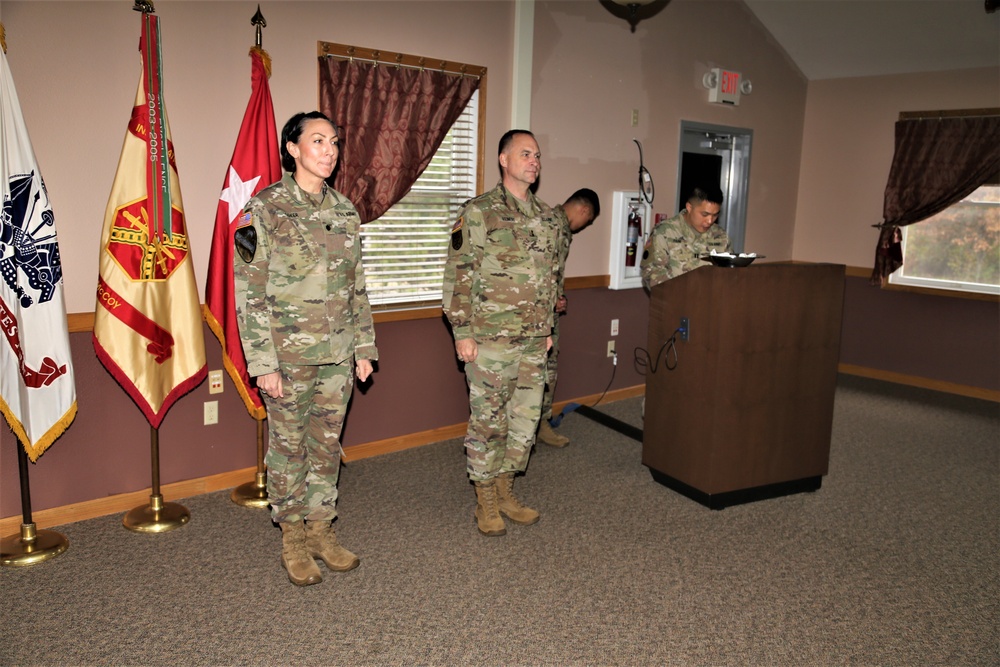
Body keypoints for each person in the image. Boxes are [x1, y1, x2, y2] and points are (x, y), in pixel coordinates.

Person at [233, 111, 378, 586]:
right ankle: (292, 540)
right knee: (288, 449)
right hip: (288, 359)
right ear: (292, 148)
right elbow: (249, 294)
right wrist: (262, 364)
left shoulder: (345, 210)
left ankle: (321, 530)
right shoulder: (266, 209)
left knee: (327, 446)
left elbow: (357, 286)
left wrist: (364, 347)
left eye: (334, 142)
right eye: (318, 141)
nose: (330, 150)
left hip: (338, 355)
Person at [442, 129, 560, 537]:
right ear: (503, 160)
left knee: (524, 421)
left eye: (538, 155)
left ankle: (506, 490)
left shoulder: (547, 218)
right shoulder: (480, 212)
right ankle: (485, 501)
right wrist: (462, 330)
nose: (534, 161)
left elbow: (549, 278)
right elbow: (459, 274)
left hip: (532, 339)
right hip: (490, 337)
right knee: (489, 421)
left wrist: (546, 329)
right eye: (525, 154)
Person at [536, 188, 601, 448]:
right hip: (539, 317)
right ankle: (534, 427)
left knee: (546, 371)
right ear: (584, 211)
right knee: (543, 371)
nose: (585, 225)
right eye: (589, 220)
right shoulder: (553, 227)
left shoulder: (554, 224)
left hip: (546, 311)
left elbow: (552, 273)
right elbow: (539, 269)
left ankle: (538, 425)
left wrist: (558, 297)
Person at [640, 185, 731, 290]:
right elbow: (651, 274)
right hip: (675, 301)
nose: (710, 221)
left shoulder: (720, 235)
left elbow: (729, 272)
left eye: (715, 215)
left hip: (710, 302)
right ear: (689, 207)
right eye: (704, 214)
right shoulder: (665, 232)